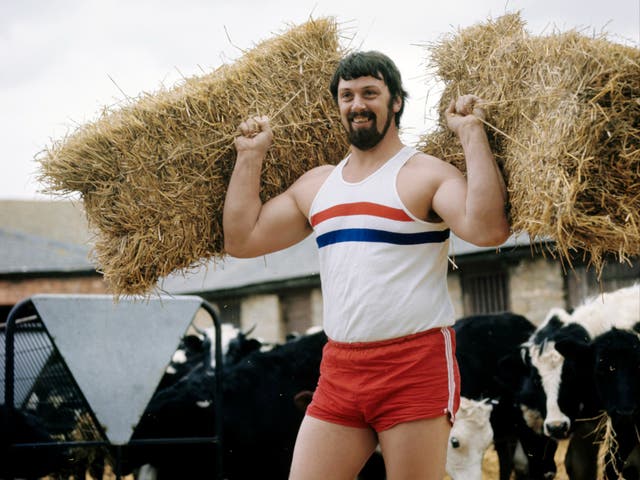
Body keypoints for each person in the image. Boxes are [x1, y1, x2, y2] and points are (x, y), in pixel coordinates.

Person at [223, 50, 509, 479]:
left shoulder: (426, 175)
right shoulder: (318, 184)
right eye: (347, 95)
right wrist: (249, 155)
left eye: (370, 93)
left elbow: (488, 230)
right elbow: (242, 240)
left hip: (414, 365)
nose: (357, 104)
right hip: (340, 367)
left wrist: (471, 134)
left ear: (395, 101)